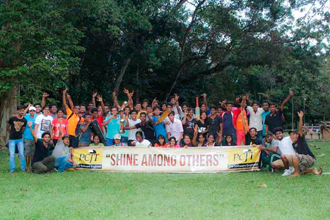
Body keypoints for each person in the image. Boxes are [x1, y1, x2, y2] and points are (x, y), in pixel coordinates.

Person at [289, 112, 322, 177]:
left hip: (309, 158)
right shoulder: (293, 144)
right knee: (300, 171)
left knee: (294, 156)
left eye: (293, 134)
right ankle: (312, 170)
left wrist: (301, 118)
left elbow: (300, 129)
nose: (291, 136)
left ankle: (296, 173)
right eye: (290, 135)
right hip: (303, 160)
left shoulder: (300, 139)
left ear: (297, 135)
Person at [7, 105, 27, 172]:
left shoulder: (24, 120)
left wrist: (20, 133)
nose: (22, 112)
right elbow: (8, 126)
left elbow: (23, 129)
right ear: (17, 111)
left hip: (20, 139)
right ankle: (12, 169)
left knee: (21, 154)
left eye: (23, 110)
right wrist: (11, 132)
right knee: (12, 154)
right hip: (12, 139)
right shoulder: (12, 119)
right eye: (20, 110)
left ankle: (23, 169)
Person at [23, 106, 37, 172]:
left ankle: (32, 166)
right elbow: (22, 114)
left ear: (35, 111)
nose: (32, 112)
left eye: (33, 111)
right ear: (29, 111)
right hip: (27, 137)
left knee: (33, 153)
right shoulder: (26, 117)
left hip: (34, 137)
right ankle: (27, 166)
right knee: (27, 153)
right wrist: (28, 107)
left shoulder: (37, 117)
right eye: (31, 111)